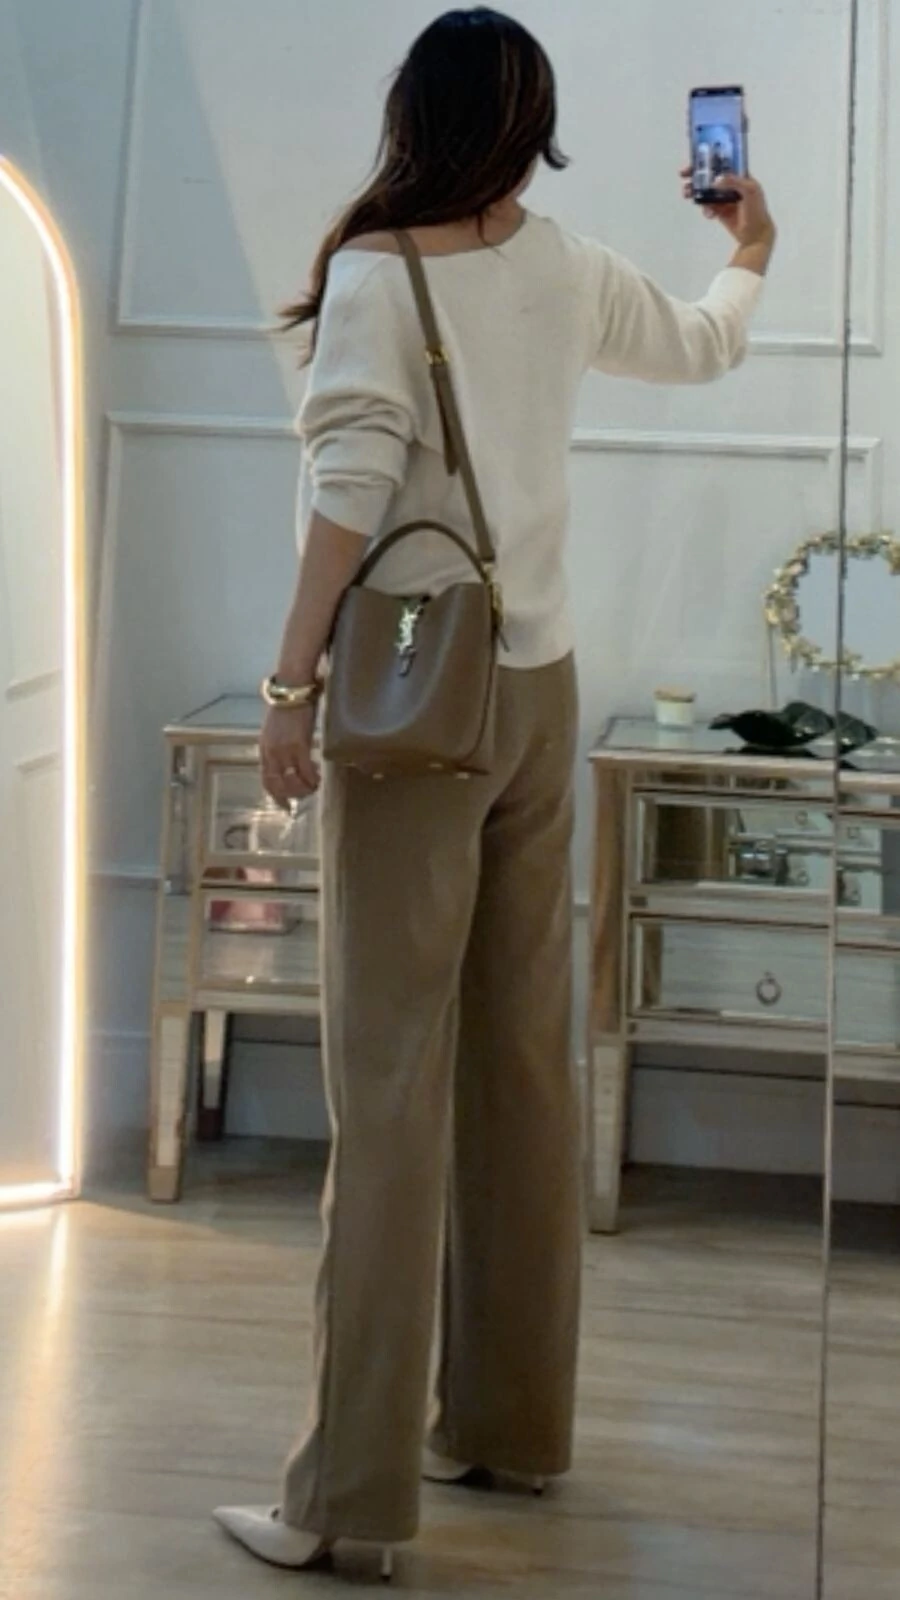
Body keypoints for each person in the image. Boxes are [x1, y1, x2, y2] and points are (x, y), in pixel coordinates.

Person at [214, 5, 776, 1579]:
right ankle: (510, 1430)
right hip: (540, 688)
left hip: (417, 693)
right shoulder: (567, 266)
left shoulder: (380, 275)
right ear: (531, 127)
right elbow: (707, 342)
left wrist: (287, 687)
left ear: (414, 112)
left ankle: (345, 1507)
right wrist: (751, 246)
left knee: (390, 1086)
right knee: (525, 1067)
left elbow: (348, 495)